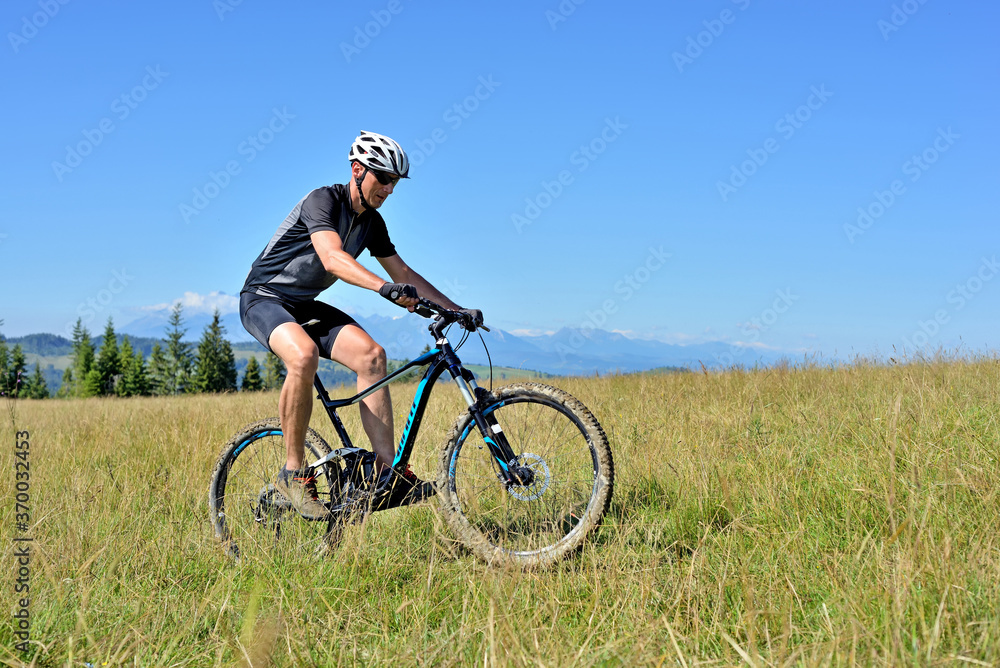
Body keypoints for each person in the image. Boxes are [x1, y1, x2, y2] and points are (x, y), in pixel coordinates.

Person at [239, 130, 483, 519]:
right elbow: (333, 258)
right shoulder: (322, 200)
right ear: (357, 170)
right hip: (264, 299)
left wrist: (455, 309)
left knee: (372, 355)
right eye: (383, 178)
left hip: (303, 305)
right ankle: (292, 472)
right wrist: (383, 288)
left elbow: (403, 271)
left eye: (394, 182)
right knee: (302, 355)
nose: (389, 189)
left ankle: (389, 473)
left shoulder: (372, 223)